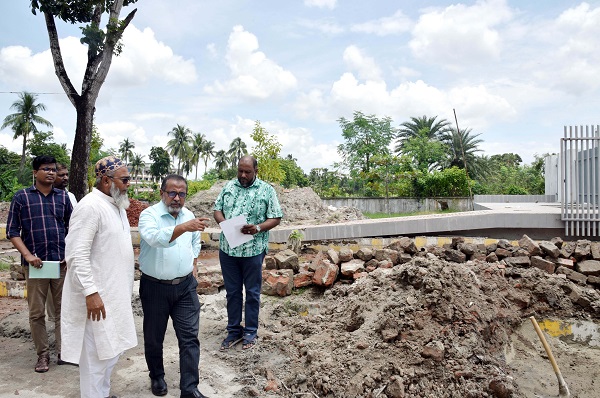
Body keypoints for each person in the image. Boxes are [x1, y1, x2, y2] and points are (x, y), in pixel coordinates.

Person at [61, 156, 137, 398]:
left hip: (115, 298)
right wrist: (91, 293)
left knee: (111, 354)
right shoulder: (90, 206)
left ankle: (102, 395)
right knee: (95, 360)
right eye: (124, 180)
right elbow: (76, 254)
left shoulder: (116, 204)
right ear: (106, 180)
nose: (128, 184)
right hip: (98, 300)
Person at [138, 174, 210, 398]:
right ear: (162, 193)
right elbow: (155, 238)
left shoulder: (189, 215)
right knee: (154, 336)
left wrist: (194, 264)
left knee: (189, 337)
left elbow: (196, 241)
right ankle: (157, 376)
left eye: (181, 194)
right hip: (155, 287)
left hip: (185, 287)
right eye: (172, 193)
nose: (177, 198)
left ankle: (189, 389)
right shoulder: (149, 215)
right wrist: (185, 227)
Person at [6, 155, 73, 373]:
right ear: (35, 173)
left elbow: (73, 228)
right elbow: (12, 232)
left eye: (53, 169)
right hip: (36, 266)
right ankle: (43, 355)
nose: (51, 173)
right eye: (46, 169)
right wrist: (27, 256)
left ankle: (64, 352)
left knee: (64, 311)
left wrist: (68, 253)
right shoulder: (22, 197)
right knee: (37, 313)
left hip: (60, 265)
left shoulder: (63, 198)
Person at [213, 155, 283, 351]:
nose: (243, 175)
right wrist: (224, 223)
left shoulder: (266, 190)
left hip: (253, 250)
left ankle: (251, 331)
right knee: (233, 293)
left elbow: (276, 217)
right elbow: (217, 209)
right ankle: (234, 331)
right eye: (240, 171)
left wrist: (258, 228)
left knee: (252, 292)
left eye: (247, 172)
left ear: (256, 171)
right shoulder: (228, 187)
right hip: (228, 250)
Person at [47, 163, 77, 324]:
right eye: (61, 175)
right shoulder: (41, 198)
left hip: (66, 253)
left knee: (65, 293)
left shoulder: (70, 196)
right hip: (47, 256)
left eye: (67, 174)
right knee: (50, 297)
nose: (65, 177)